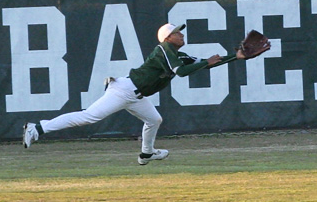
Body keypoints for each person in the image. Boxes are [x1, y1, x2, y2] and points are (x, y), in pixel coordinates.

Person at [23, 23, 257, 165]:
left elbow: (203, 63)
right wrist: (206, 62)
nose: (182, 35)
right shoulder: (163, 49)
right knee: (89, 117)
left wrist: (235, 57)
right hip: (123, 90)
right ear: (168, 38)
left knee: (154, 119)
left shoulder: (178, 54)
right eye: (177, 33)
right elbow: (183, 72)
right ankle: (37, 128)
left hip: (136, 95)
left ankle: (146, 154)